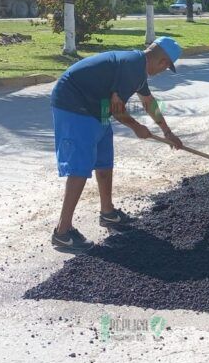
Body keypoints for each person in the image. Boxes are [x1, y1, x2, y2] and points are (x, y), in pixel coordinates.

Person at [49, 37, 185, 253]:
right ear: (163, 62)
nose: (163, 71)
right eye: (166, 67)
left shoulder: (138, 69)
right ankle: (62, 233)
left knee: (104, 160)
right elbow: (117, 109)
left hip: (96, 105)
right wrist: (137, 127)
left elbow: (148, 102)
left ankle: (108, 213)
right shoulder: (132, 66)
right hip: (75, 103)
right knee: (80, 167)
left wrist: (167, 132)